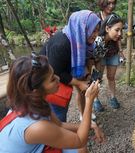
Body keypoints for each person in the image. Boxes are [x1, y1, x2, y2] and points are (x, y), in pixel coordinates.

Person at [0, 54, 103, 153]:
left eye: (54, 74)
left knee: (81, 149)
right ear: (36, 90)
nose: (58, 79)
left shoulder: (34, 101)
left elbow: (59, 125)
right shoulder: (37, 127)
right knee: (81, 147)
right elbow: (80, 140)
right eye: (52, 79)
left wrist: (90, 125)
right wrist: (89, 100)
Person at [39, 10, 105, 149]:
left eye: (97, 30)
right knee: (57, 111)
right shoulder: (62, 44)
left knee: (60, 112)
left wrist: (87, 77)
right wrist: (78, 83)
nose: (96, 34)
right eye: (93, 30)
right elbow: (56, 73)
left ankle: (57, 134)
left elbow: (83, 61)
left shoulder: (82, 41)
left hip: (60, 76)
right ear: (82, 28)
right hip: (48, 82)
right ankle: (55, 143)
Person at [87, 13, 124, 112]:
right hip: (98, 57)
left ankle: (112, 98)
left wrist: (120, 52)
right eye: (117, 30)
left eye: (121, 30)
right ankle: (95, 100)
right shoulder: (98, 40)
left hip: (111, 53)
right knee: (97, 77)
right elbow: (93, 60)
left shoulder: (112, 38)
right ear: (107, 29)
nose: (120, 33)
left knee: (110, 77)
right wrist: (94, 71)